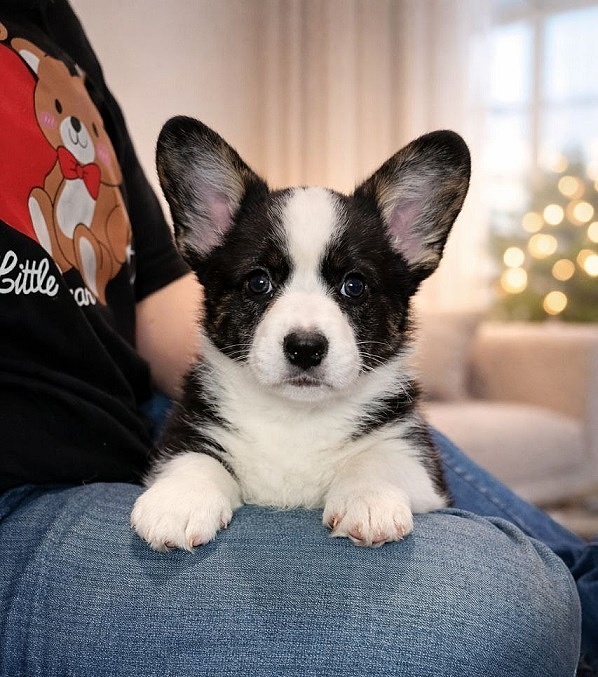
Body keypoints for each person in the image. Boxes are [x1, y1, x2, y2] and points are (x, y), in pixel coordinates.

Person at [0, 1, 593, 675]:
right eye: (260, 281)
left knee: (564, 582)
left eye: (353, 286)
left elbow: (155, 288)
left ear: (410, 249)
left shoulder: (52, 19)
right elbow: (194, 453)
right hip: (30, 478)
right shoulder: (207, 415)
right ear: (210, 239)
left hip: (134, 407)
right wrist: (201, 475)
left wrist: (372, 476)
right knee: (518, 610)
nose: (306, 330)